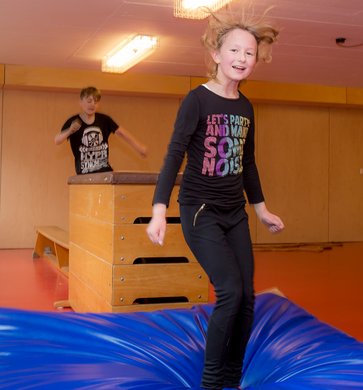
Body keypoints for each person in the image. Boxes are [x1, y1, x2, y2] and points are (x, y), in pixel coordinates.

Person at [146, 6, 284, 390]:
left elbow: (247, 162)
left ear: (257, 60)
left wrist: (261, 209)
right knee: (230, 290)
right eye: (235, 51)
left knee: (248, 297)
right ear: (217, 55)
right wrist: (160, 211)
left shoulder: (245, 106)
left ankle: (231, 377)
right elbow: (174, 154)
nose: (242, 59)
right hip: (199, 211)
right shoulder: (197, 100)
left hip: (234, 213)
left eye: (250, 53)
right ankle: (210, 383)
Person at [55, 86, 147, 174]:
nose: (92, 104)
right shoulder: (73, 121)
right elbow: (57, 140)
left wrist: (139, 147)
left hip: (104, 171)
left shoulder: (104, 120)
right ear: (81, 102)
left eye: (95, 102)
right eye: (89, 101)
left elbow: (122, 133)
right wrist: (70, 131)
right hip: (85, 172)